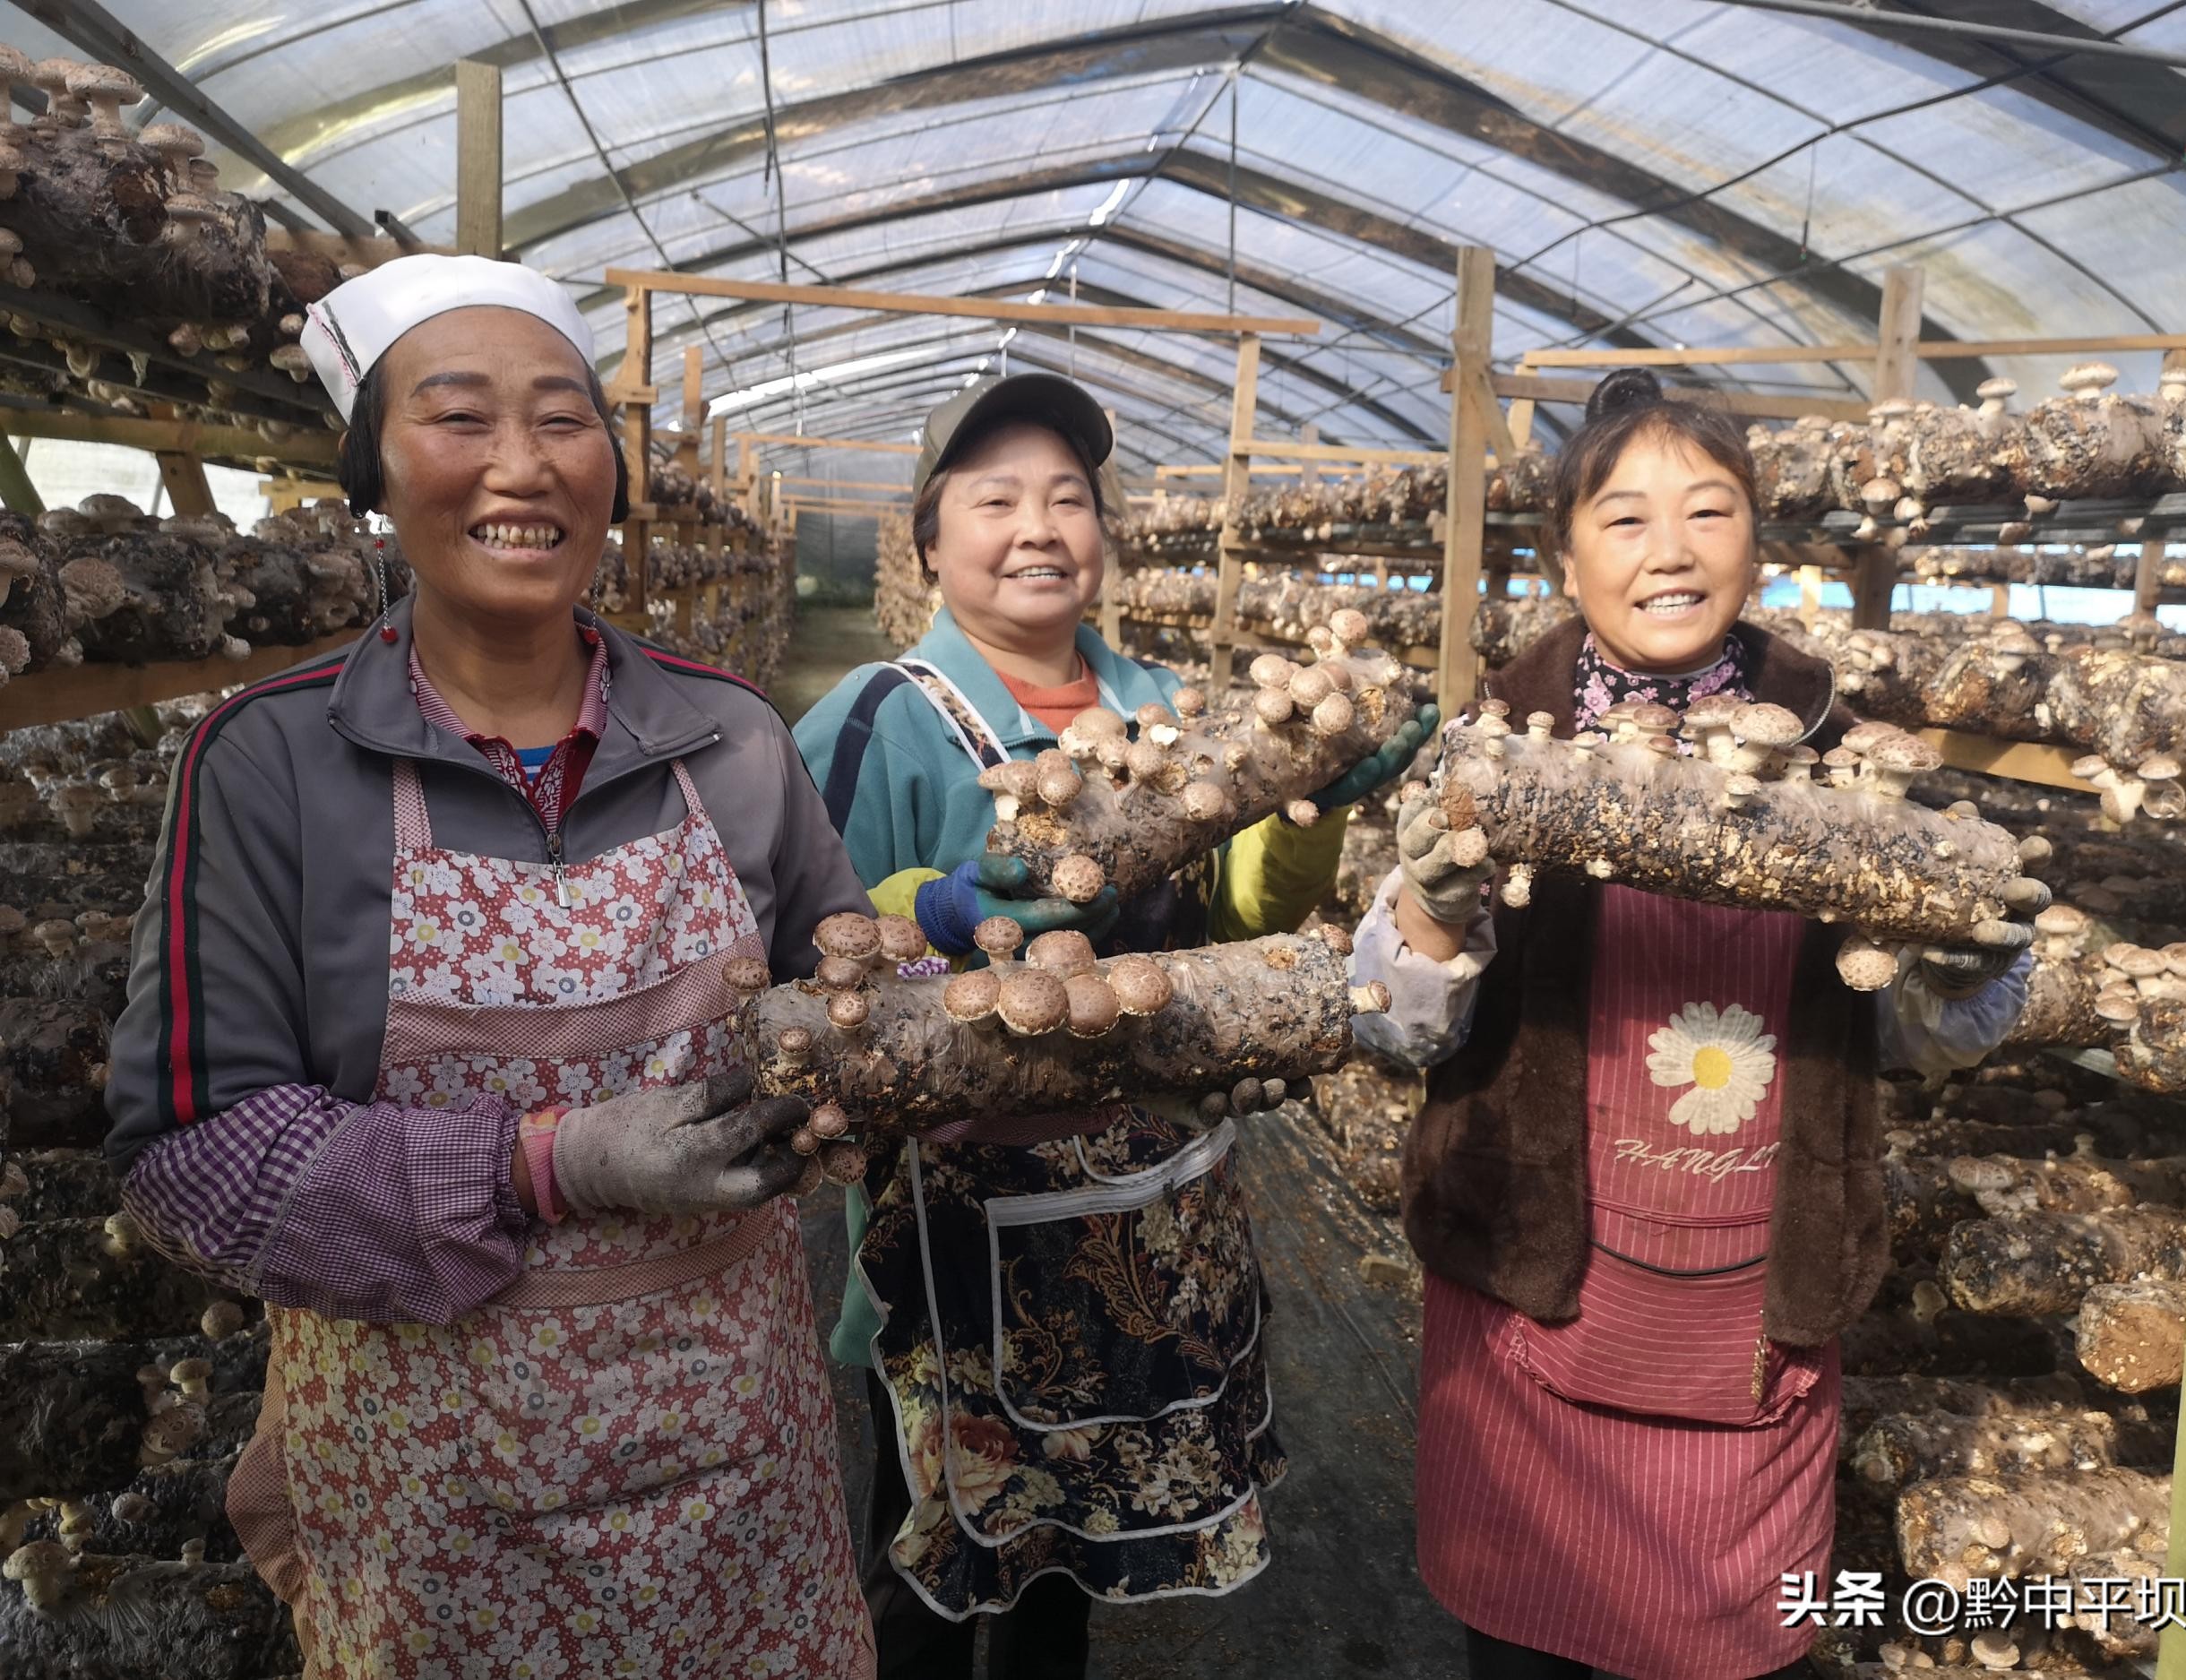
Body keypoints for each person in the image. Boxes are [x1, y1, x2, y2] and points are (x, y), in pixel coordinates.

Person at [103, 254, 875, 1678]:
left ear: (615, 468)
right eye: (458, 418)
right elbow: (194, 1159)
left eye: (565, 419)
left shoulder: (733, 737)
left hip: (733, 1470)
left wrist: (907, 1048)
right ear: (373, 474)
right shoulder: (271, 759)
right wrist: (551, 1163)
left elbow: (848, 1028)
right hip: (434, 1502)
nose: (522, 463)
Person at [1349, 369, 2037, 1680]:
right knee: (1524, 1651)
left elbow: (1912, 1040)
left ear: (1756, 545)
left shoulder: (1846, 762)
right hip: (1531, 1300)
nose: (1671, 551)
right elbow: (1395, 1035)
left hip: (1750, 1314)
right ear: (1563, 556)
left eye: (1709, 513)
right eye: (1624, 519)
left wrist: (1963, 972)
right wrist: (1434, 916)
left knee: (1727, 1649)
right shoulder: (1495, 749)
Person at [793, 372, 1434, 1678]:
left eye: (1069, 499)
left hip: (1141, 1226)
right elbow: (817, 964)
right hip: (948, 1248)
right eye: (997, 499)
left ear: (1105, 531)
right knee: (920, 1578)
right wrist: (941, 908)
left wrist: (1311, 812)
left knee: (1066, 1581)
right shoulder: (876, 722)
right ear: (929, 539)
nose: (1039, 527)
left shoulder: (1169, 706)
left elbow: (1233, 907)